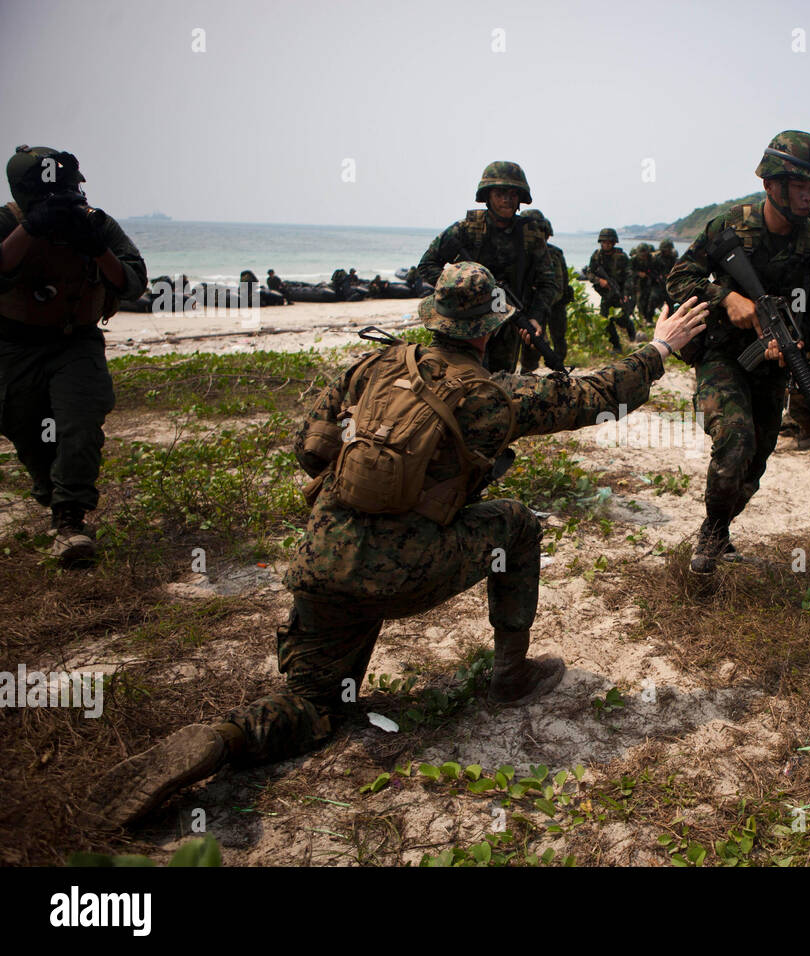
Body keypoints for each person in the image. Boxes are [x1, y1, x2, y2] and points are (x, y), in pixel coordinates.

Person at [88, 263, 710, 828]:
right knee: (517, 523)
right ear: (489, 330)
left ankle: (222, 739)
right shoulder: (489, 398)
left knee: (311, 704)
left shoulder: (367, 367)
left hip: (323, 563)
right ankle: (511, 674)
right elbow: (594, 396)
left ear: (432, 319)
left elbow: (308, 450)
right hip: (404, 573)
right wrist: (660, 347)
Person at [667, 130, 810, 575]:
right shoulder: (727, 228)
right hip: (723, 355)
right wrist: (725, 298)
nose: (808, 196)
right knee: (735, 439)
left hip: (773, 365)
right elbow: (678, 280)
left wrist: (798, 339)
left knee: (755, 461)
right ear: (771, 184)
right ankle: (710, 534)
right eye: (800, 186)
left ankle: (719, 526)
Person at [0, 145, 147, 565]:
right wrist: (31, 229)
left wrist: (97, 246)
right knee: (25, 426)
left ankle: (69, 522)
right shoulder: (8, 223)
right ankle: (53, 494)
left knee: (79, 422)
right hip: (15, 345)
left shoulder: (95, 224)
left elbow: (133, 282)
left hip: (75, 341)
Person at [418, 162, 557, 374]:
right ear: (487, 195)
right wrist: (461, 289)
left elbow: (548, 282)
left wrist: (534, 317)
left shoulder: (531, 235)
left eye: (513, 194)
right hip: (465, 322)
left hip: (508, 320)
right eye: (500, 193)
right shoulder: (465, 229)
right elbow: (427, 264)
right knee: (459, 377)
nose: (507, 200)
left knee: (500, 386)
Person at [518, 210, 571, 373]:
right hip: (531, 304)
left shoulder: (553, 253)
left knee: (558, 337)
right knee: (531, 341)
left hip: (553, 303)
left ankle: (557, 369)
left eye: (541, 231)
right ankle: (528, 371)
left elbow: (559, 284)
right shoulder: (520, 252)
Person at [588, 228, 636, 351]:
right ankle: (616, 346)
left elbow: (629, 276)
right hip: (606, 294)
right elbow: (589, 273)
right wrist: (600, 281)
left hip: (619, 291)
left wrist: (626, 293)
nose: (607, 244)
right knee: (605, 320)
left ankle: (630, 328)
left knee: (622, 319)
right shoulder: (597, 256)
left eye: (610, 242)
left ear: (614, 243)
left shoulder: (622, 257)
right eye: (604, 242)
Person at [648, 239, 677, 317]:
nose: (669, 251)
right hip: (657, 283)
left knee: (672, 301)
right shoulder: (656, 258)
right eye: (667, 249)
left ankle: (670, 317)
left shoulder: (673, 259)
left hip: (669, 283)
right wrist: (657, 277)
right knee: (653, 298)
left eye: (670, 249)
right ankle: (649, 318)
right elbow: (650, 271)